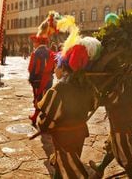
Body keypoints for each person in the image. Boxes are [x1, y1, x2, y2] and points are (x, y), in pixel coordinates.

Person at [37, 45, 95, 178]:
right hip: (79, 134)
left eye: (57, 65)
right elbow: (92, 105)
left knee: (68, 170)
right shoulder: (86, 85)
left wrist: (41, 122)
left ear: (63, 68)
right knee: (64, 167)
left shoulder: (59, 89)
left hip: (64, 139)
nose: (54, 68)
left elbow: (47, 122)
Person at [27, 35, 55, 125]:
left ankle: (36, 117)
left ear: (38, 42)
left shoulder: (36, 53)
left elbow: (32, 68)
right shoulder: (50, 52)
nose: (33, 44)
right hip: (49, 79)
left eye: (34, 42)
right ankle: (41, 116)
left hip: (38, 80)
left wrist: (31, 79)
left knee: (38, 99)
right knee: (46, 98)